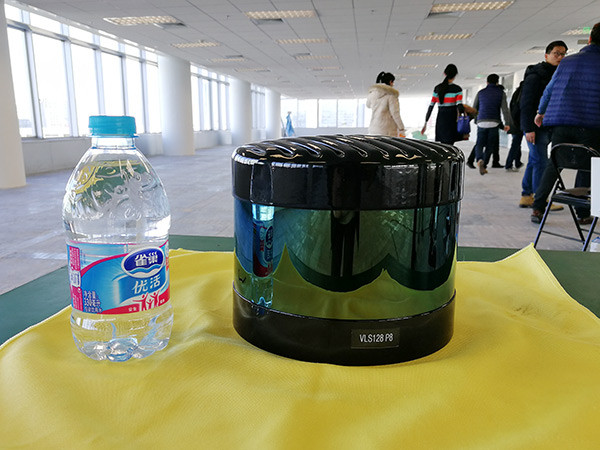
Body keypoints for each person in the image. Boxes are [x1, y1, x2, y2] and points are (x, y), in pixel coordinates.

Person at [530, 23, 600, 224]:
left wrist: (540, 112)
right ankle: (583, 212)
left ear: (589, 39)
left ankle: (538, 207)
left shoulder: (567, 62)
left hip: (561, 123)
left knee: (554, 164)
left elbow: (550, 90)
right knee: (590, 165)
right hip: (592, 124)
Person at [518, 40, 568, 208]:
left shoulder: (558, 75)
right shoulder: (535, 76)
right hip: (535, 127)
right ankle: (541, 199)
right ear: (546, 55)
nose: (560, 57)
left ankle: (526, 195)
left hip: (547, 125)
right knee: (542, 162)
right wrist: (528, 129)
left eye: (563, 54)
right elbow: (526, 104)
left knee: (534, 160)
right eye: (556, 53)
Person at [472, 75, 512, 175]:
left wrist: (476, 120)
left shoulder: (480, 93)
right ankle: (484, 164)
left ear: (487, 82)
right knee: (490, 146)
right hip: (494, 122)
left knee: (479, 143)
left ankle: (479, 159)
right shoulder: (501, 93)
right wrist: (507, 123)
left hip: (481, 121)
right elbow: (505, 110)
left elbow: (474, 108)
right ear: (497, 82)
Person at [421, 64, 465, 145]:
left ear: (445, 74)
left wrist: (426, 122)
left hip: (441, 119)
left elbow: (431, 106)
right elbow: (460, 106)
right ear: (455, 75)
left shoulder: (437, 88)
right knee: (450, 144)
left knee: (443, 144)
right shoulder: (457, 89)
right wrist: (463, 118)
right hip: (452, 119)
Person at [366, 72, 406, 137]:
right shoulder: (391, 95)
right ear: (390, 82)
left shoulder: (372, 94)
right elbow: (395, 113)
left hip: (373, 129)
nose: (393, 84)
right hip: (387, 131)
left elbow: (368, 105)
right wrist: (401, 128)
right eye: (393, 82)